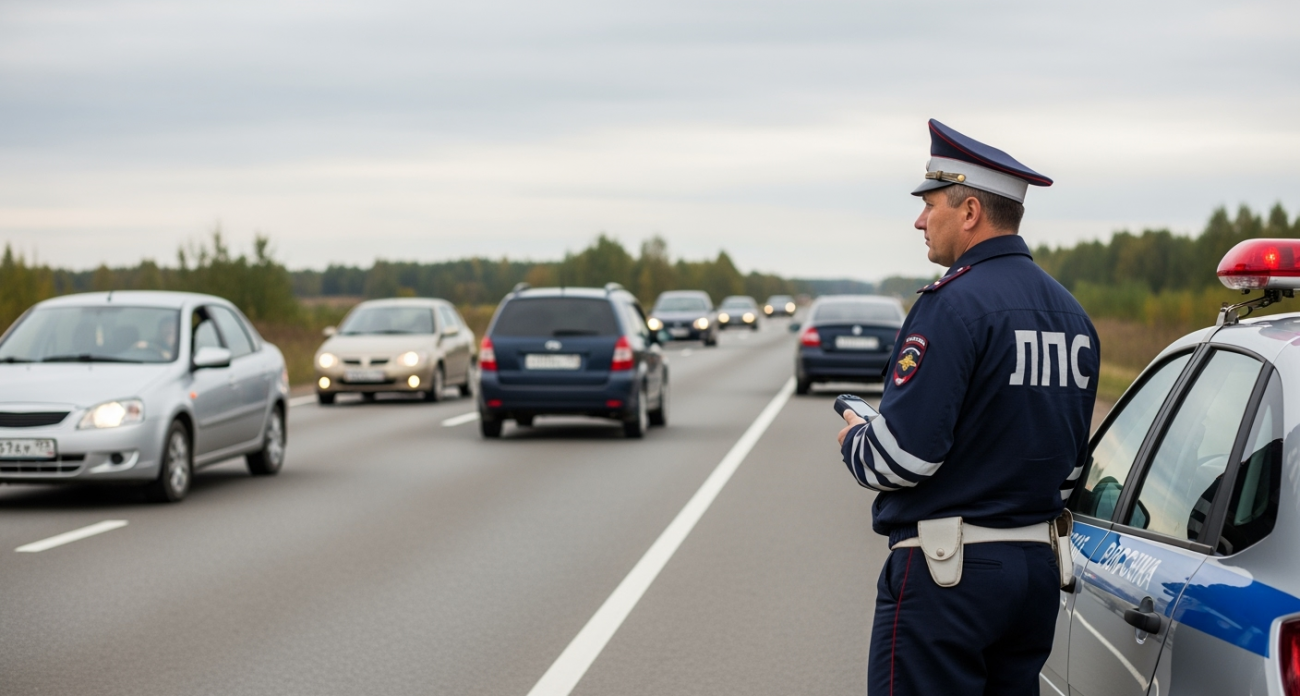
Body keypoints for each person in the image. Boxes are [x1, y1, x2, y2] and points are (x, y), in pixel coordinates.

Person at [836, 119, 1099, 696]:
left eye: (930, 203)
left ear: (971, 210)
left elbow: (902, 457)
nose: (919, 219)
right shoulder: (1072, 315)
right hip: (1034, 577)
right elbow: (1072, 465)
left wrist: (856, 438)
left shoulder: (952, 306)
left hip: (947, 578)